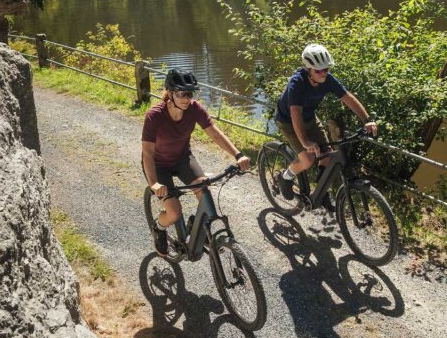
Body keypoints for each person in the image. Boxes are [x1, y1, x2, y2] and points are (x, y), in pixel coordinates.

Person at [142, 68, 250, 255]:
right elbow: (147, 153)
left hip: (183, 159)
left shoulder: (194, 109)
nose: (186, 98)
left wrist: (238, 154)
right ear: (169, 93)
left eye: (190, 93)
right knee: (174, 212)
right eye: (182, 93)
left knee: (205, 193)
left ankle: (197, 227)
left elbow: (214, 133)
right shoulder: (154, 116)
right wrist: (154, 183)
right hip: (159, 166)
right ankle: (159, 228)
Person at [273, 44, 378, 202]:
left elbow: (348, 98)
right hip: (288, 122)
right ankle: (285, 177)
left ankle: (320, 193)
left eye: (326, 69)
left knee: (327, 155)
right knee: (307, 160)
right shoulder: (297, 83)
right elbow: (295, 114)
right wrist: (305, 142)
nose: (323, 74)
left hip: (310, 118)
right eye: (318, 70)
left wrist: (367, 120)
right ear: (308, 69)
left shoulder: (328, 80)